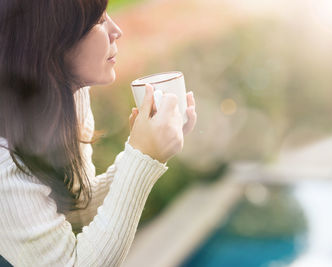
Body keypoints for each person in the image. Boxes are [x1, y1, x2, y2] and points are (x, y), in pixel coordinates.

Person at [0, 0, 197, 266]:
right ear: (49, 41)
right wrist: (142, 155)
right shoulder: (3, 166)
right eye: (98, 21)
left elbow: (78, 208)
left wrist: (148, 148)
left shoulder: (70, 97)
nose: (117, 30)